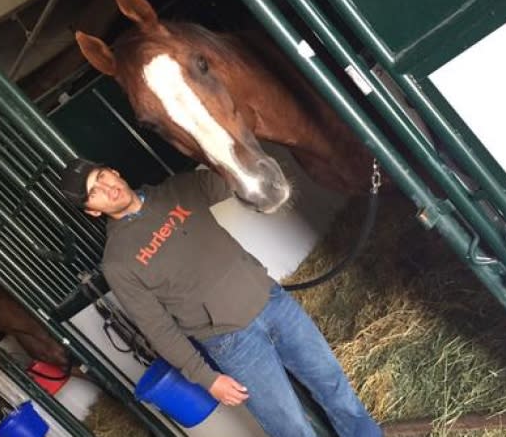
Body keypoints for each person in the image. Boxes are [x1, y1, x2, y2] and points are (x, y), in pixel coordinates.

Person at [59, 158, 382, 437]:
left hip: (272, 302)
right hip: (231, 343)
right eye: (94, 192)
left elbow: (229, 181)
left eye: (102, 176)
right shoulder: (118, 262)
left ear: (114, 171)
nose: (106, 187)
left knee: (335, 388)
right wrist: (206, 378)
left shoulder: (177, 189)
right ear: (92, 211)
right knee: (290, 427)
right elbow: (157, 329)